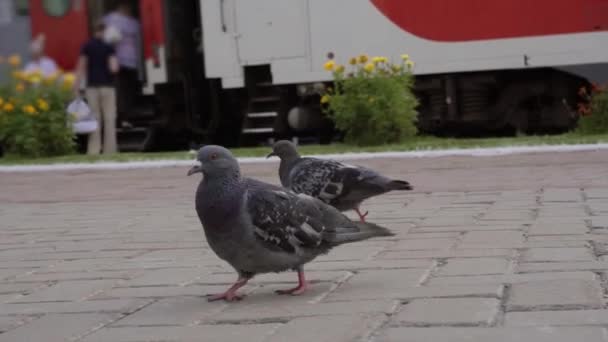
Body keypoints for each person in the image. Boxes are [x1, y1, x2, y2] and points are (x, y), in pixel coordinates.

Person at [74, 21, 119, 155]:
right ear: (104, 31)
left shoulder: (87, 46)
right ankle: (110, 150)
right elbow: (114, 68)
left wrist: (76, 85)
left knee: (94, 119)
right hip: (107, 87)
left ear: (93, 31)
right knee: (109, 118)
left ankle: (93, 150)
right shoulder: (109, 47)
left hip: (92, 87)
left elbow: (81, 67)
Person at [103, 2, 142, 126]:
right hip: (120, 60)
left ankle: (125, 116)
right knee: (122, 90)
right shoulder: (113, 19)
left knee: (127, 90)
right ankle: (123, 117)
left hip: (129, 61)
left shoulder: (131, 22)